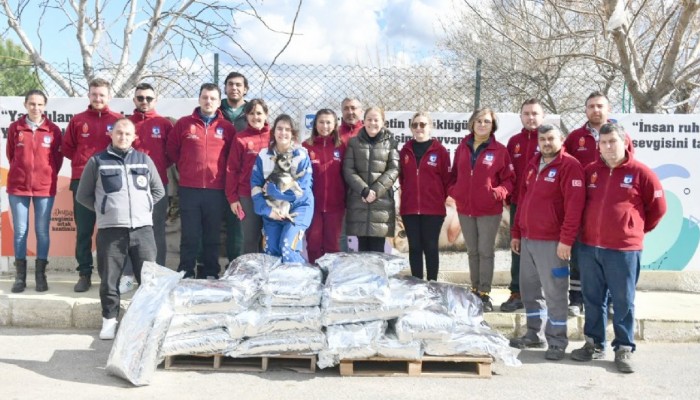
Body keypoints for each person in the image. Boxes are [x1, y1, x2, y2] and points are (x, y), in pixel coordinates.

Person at [571, 123, 666, 373]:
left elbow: (658, 209)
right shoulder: (590, 171)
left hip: (623, 251)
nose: (608, 147)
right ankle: (593, 343)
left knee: (623, 301)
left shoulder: (641, 173)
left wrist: (633, 229)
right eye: (603, 143)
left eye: (612, 141)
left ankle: (624, 347)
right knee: (592, 299)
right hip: (590, 247)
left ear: (624, 142)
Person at [76, 118, 164, 340]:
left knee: (148, 280)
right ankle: (109, 320)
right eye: (119, 133)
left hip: (142, 230)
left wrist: (143, 209)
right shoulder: (97, 161)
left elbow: (158, 191)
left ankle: (145, 322)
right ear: (111, 135)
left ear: (134, 137)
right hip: (111, 230)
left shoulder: (144, 160)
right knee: (109, 279)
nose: (123, 137)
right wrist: (106, 210)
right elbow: (83, 195)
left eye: (127, 134)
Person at [508, 124, 585, 361]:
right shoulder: (533, 164)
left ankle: (557, 340)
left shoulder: (570, 166)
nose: (547, 143)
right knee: (530, 290)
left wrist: (566, 240)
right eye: (543, 139)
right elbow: (522, 201)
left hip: (552, 242)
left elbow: (574, 209)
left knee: (555, 292)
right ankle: (534, 333)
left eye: (551, 138)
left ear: (561, 139)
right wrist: (516, 232)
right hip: (528, 239)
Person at [563, 91, 634, 316]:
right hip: (582, 204)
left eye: (600, 106)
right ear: (586, 110)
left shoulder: (622, 135)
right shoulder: (575, 137)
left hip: (611, 205)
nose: (596, 110)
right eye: (591, 106)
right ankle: (576, 298)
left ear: (608, 109)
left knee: (609, 254)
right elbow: (565, 166)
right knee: (579, 253)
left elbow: (630, 166)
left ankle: (612, 300)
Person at [448, 107, 515, 312]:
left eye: (486, 121)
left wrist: (498, 192)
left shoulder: (500, 151)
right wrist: (455, 191)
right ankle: (474, 289)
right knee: (472, 251)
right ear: (472, 123)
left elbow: (509, 180)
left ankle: (485, 293)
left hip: (489, 210)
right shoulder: (462, 147)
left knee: (486, 251)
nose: (482, 124)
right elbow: (454, 175)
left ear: (492, 125)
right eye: (479, 121)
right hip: (465, 208)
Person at [166, 83, 235, 279]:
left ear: (218, 102)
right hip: (189, 189)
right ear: (199, 99)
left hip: (216, 190)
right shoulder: (184, 124)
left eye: (213, 98)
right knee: (190, 235)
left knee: (212, 235)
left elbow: (231, 157)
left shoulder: (226, 128)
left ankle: (211, 272)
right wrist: (187, 168)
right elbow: (172, 151)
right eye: (205, 97)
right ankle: (186, 271)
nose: (208, 101)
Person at [61, 78, 122, 292]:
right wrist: (83, 163)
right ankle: (84, 274)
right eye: (94, 94)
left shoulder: (118, 120)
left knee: (110, 232)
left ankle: (109, 274)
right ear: (89, 95)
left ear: (109, 96)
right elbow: (67, 148)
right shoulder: (78, 120)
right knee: (85, 230)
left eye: (102, 95)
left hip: (110, 183)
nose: (98, 98)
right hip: (82, 183)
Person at [6, 89, 63, 293]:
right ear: (25, 105)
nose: (35, 108)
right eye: (32, 104)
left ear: (45, 106)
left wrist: (45, 175)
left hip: (44, 188)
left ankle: (40, 275)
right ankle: (20, 277)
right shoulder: (15, 127)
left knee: (41, 231)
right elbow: (11, 155)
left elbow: (57, 160)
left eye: (39, 104)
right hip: (18, 187)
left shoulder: (53, 130)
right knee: (20, 231)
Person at [124, 83, 173, 288]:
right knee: (127, 230)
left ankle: (156, 274)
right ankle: (127, 276)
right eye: (140, 98)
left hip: (156, 186)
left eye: (149, 98)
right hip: (128, 188)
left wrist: (155, 170)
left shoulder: (164, 124)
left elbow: (171, 155)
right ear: (134, 99)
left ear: (156, 100)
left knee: (156, 231)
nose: (144, 101)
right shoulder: (125, 123)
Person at [251, 114, 313, 263]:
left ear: (293, 133)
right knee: (271, 251)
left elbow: (302, 191)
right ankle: (276, 285)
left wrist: (277, 194)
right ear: (274, 131)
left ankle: (301, 281)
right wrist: (268, 211)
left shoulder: (301, 155)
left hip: (298, 208)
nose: (283, 133)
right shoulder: (263, 155)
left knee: (287, 248)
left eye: (287, 129)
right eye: (279, 128)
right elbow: (255, 186)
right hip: (273, 211)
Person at [501, 98, 544, 312]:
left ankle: (540, 294)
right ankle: (516, 292)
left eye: (535, 113)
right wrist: (509, 199)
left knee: (542, 250)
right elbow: (508, 174)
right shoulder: (514, 142)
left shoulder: (549, 139)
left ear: (542, 116)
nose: (531, 117)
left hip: (542, 207)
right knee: (517, 249)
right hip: (519, 205)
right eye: (527, 113)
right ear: (521, 117)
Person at [398, 111, 450, 281]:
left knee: (430, 247)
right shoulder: (405, 151)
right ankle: (417, 284)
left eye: (423, 124)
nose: (419, 128)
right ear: (411, 128)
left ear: (430, 127)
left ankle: (432, 283)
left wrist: (437, 198)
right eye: (415, 125)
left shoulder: (440, 151)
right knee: (414, 247)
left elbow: (447, 180)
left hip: (433, 209)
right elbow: (402, 179)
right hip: (410, 209)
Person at [343, 106, 399, 252]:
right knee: (362, 250)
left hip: (381, 204)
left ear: (382, 122)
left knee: (377, 251)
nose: (372, 123)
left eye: (376, 120)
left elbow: (394, 169)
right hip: (359, 202)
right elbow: (348, 169)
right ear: (363, 121)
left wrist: (375, 191)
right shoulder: (354, 143)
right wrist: (364, 190)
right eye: (369, 119)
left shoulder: (391, 142)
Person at [226, 99, 272, 255]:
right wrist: (233, 198)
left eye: (259, 113)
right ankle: (251, 273)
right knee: (250, 239)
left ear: (266, 114)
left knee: (270, 238)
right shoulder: (240, 139)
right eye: (251, 113)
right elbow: (232, 169)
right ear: (246, 116)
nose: (255, 117)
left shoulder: (274, 137)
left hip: (272, 196)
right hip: (247, 196)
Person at [302, 109, 346, 264]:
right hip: (312, 205)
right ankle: (316, 276)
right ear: (315, 124)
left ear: (335, 125)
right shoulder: (306, 147)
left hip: (336, 205)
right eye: (321, 122)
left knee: (332, 245)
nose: (325, 126)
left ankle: (331, 277)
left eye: (329, 122)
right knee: (313, 243)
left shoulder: (341, 147)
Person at [219, 71, 249, 263]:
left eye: (239, 85)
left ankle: (236, 265)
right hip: (214, 177)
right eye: (230, 84)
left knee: (238, 226)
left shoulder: (252, 112)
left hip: (241, 179)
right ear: (225, 88)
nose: (234, 88)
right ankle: (206, 269)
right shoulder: (215, 109)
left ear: (245, 89)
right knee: (211, 225)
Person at [338, 97, 364, 252]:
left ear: (360, 111)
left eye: (353, 108)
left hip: (362, 192)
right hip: (340, 192)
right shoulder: (335, 134)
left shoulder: (367, 132)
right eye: (346, 108)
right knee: (340, 235)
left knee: (364, 235)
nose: (350, 112)